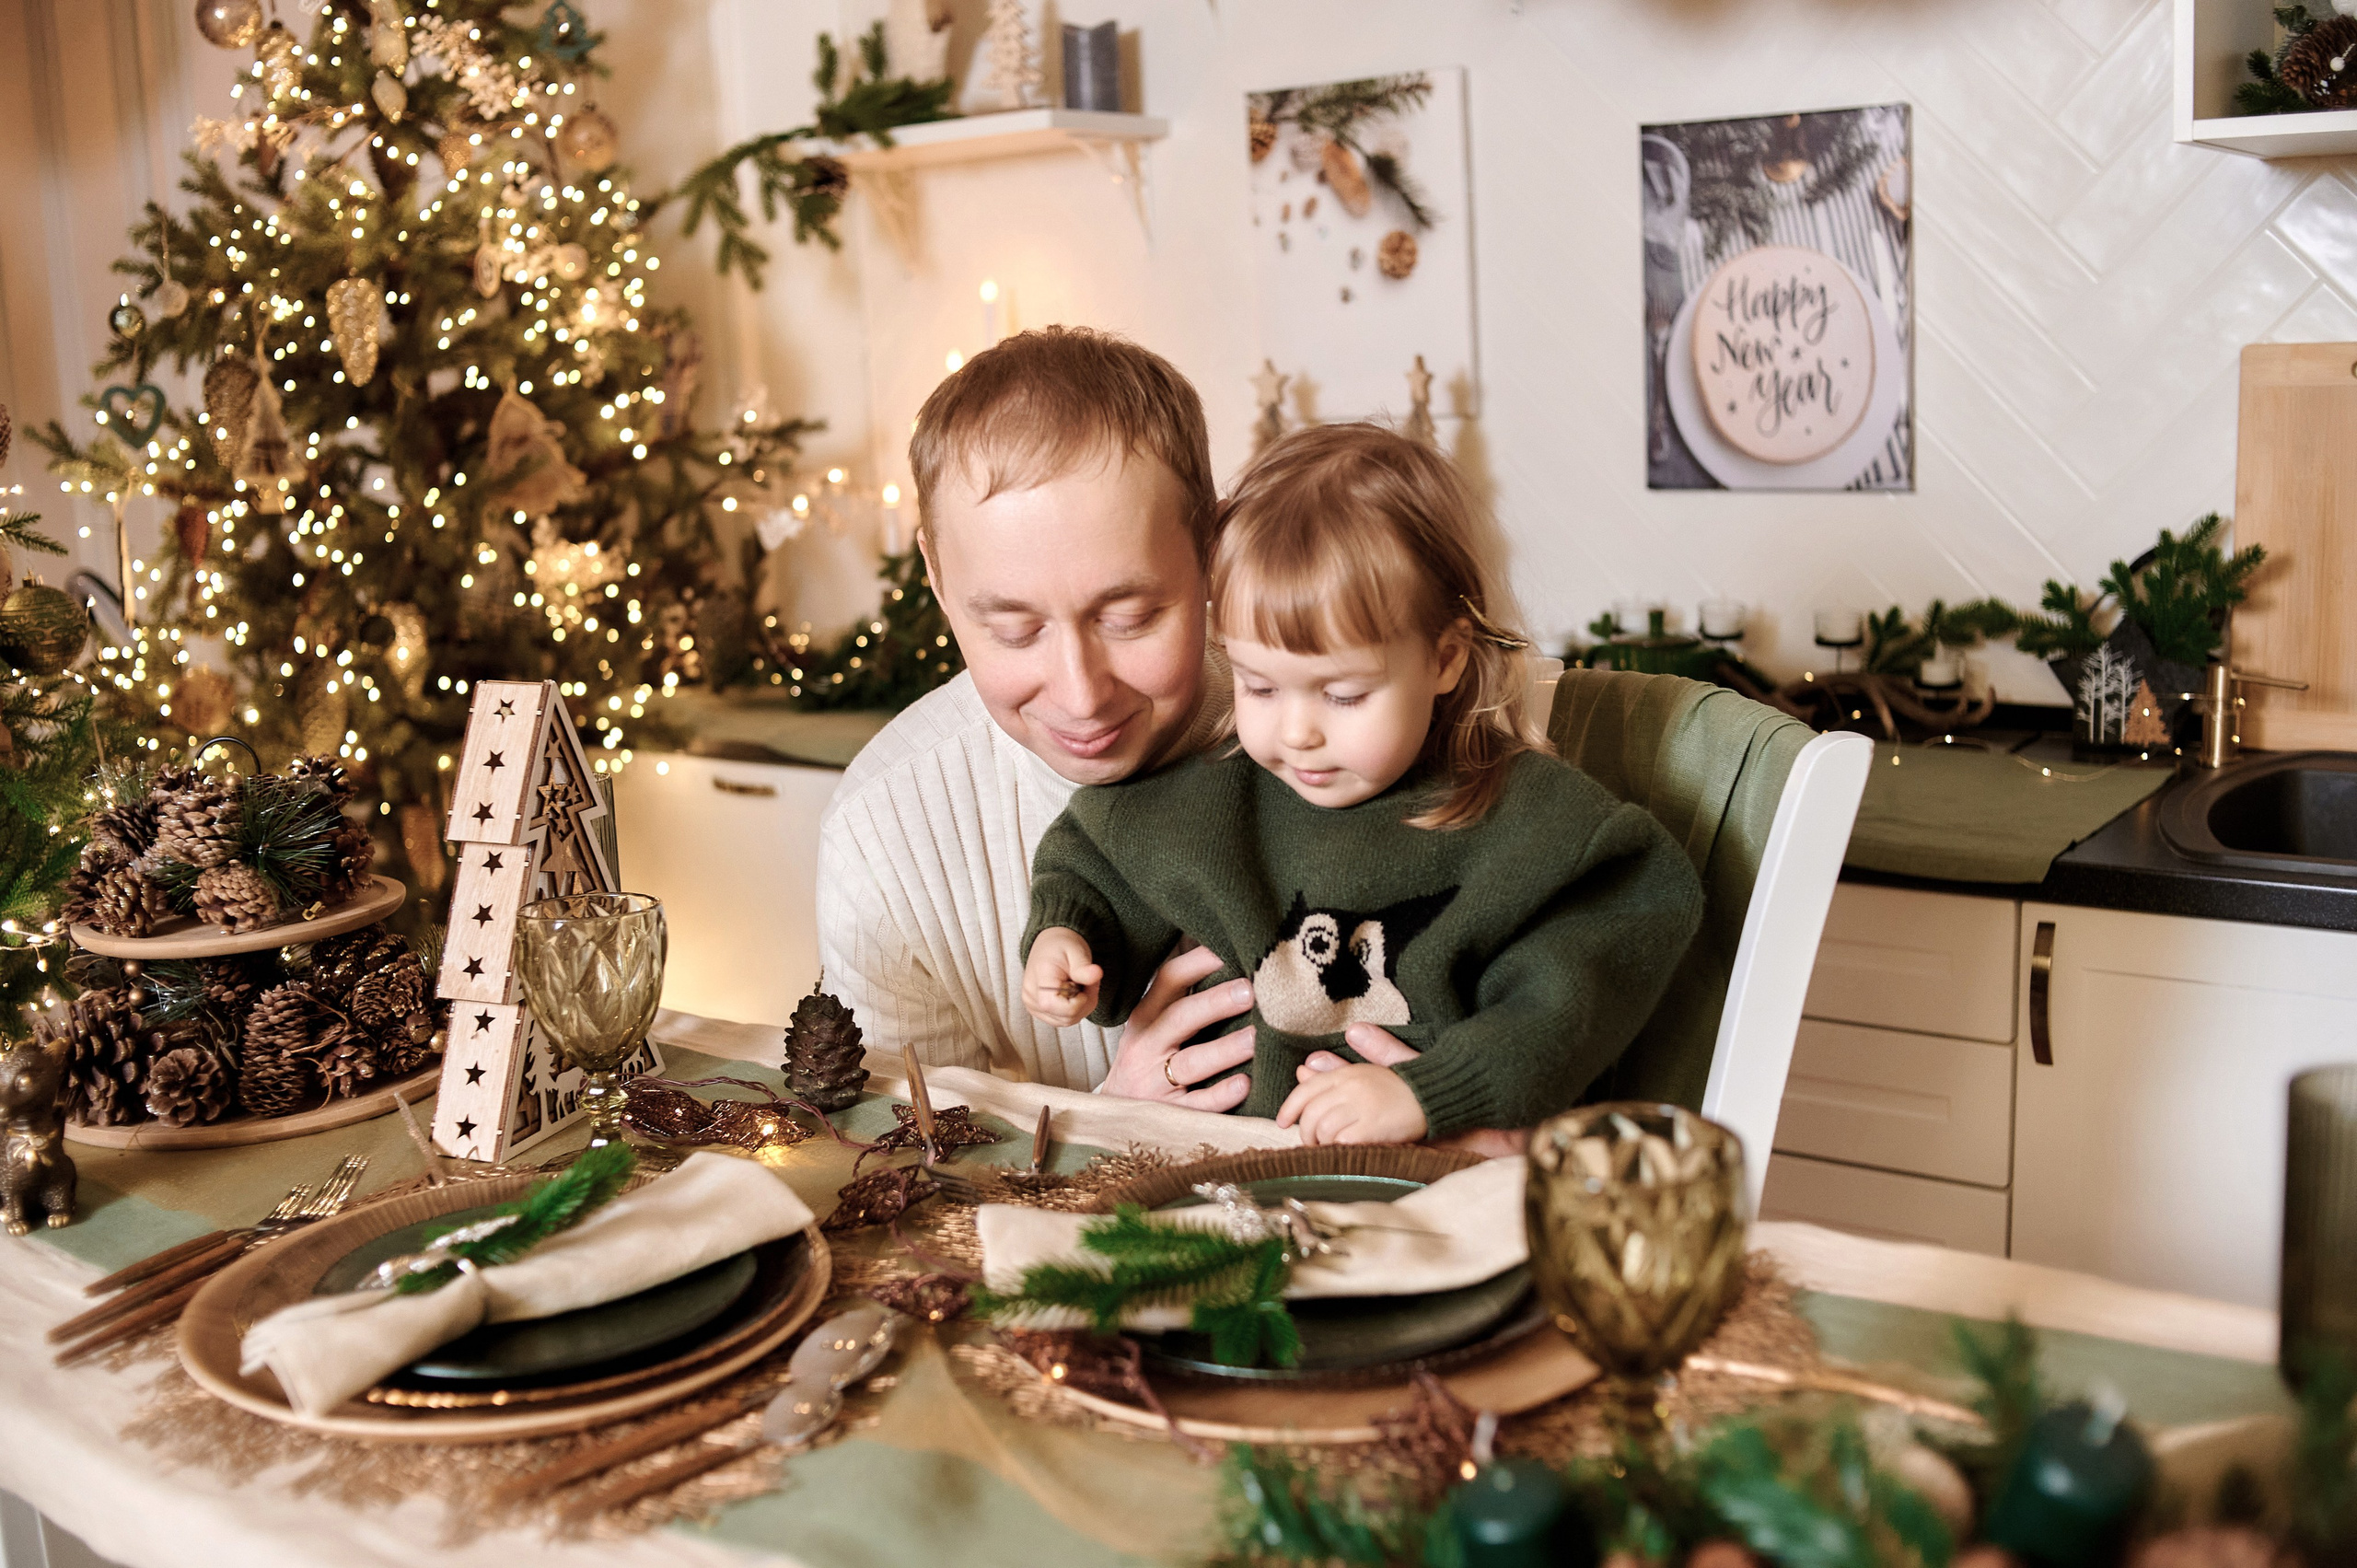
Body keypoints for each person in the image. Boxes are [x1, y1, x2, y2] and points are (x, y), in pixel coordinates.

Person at [1018, 424, 1705, 1144]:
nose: (1296, 732)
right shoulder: (1219, 797)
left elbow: (1585, 979)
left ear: (1444, 658)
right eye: (1259, 686)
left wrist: (1435, 1091)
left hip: (1425, 1185)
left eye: (1342, 694)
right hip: (1223, 1175)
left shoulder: (1531, 821)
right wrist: (1068, 934)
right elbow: (1097, 851)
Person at [817, 328, 1261, 1107]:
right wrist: (1116, 1120)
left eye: (1129, 618)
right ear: (937, 577)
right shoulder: (881, 836)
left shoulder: (1349, 727)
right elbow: (914, 1160)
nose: (1082, 697)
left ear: (1211, 549)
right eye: (1016, 630)